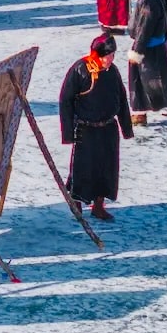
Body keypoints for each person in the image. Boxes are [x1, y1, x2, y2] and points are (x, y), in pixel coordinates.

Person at [58, 34, 134, 222]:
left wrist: (126, 128)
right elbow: (65, 100)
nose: (109, 60)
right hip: (86, 129)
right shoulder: (80, 70)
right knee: (83, 169)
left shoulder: (113, 72)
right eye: (106, 56)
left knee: (106, 169)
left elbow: (122, 100)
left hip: (108, 129)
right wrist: (68, 133)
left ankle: (99, 205)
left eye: (112, 56)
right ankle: (76, 202)